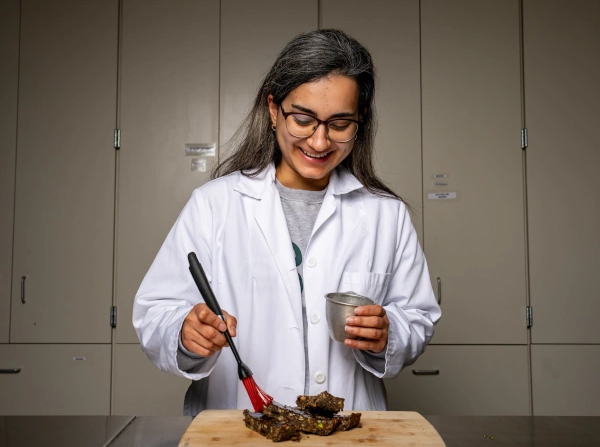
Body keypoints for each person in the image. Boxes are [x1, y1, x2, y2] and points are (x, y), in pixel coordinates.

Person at [133, 29, 441, 416]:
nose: (319, 142)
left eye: (340, 124)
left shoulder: (385, 214)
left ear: (360, 120)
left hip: (347, 434)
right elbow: (155, 311)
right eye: (303, 119)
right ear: (274, 110)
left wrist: (387, 334)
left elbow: (417, 317)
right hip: (238, 430)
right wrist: (184, 332)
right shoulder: (215, 205)